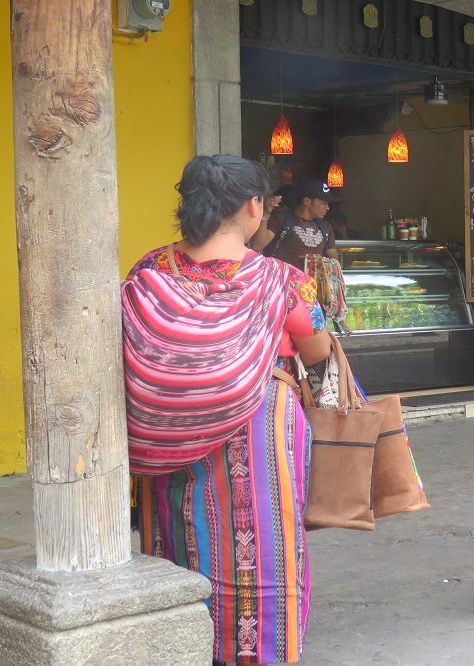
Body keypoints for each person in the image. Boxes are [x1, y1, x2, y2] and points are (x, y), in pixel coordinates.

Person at [123, 155, 331, 664]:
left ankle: (181, 644)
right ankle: (259, 650)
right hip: (261, 428)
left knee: (178, 532)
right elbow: (319, 351)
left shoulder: (149, 270)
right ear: (253, 207)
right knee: (264, 544)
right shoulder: (283, 280)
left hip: (168, 438)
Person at [251, 179, 340, 266]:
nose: (327, 208)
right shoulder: (282, 218)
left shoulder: (325, 227)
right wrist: (265, 213)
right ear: (307, 201)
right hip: (282, 279)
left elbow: (334, 264)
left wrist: (320, 262)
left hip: (312, 280)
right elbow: (257, 245)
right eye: (324, 203)